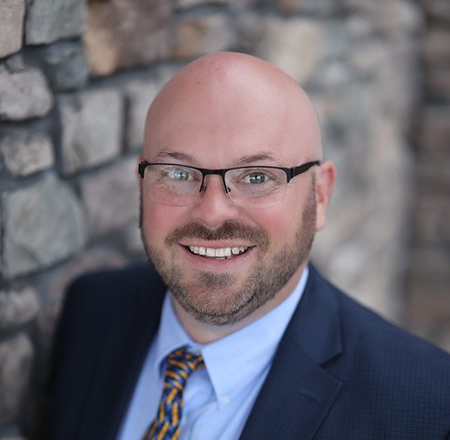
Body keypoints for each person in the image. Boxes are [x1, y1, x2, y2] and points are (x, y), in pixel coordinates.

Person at [44, 52, 450, 440]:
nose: (213, 213)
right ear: (142, 185)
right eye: (179, 173)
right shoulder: (91, 311)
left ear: (320, 195)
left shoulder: (427, 407)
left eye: (256, 177)